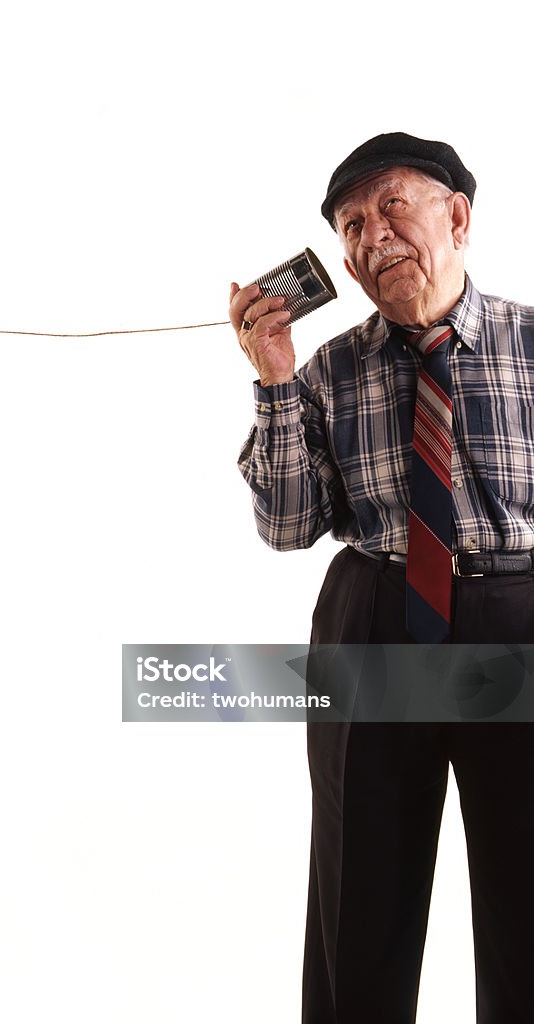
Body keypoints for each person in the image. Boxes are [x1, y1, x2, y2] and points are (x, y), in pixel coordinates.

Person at [229, 133, 534, 1024]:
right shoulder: (327, 371)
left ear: (458, 216)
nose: (374, 237)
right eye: (353, 225)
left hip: (516, 618)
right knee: (358, 900)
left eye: (393, 206)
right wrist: (275, 382)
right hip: (374, 621)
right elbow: (288, 527)